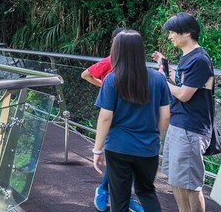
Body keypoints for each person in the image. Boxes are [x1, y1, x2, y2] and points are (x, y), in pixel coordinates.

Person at [93, 30, 171, 212]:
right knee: (146, 191)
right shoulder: (158, 78)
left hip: (118, 147)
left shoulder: (112, 79)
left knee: (119, 197)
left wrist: (97, 149)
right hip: (148, 148)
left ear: (117, 50)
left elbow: (105, 117)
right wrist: (156, 136)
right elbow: (166, 115)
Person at [153, 12, 215, 212]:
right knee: (176, 180)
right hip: (180, 124)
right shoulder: (188, 57)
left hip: (191, 128)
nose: (170, 36)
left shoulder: (199, 59)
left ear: (186, 33)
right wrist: (166, 69)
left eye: (172, 32)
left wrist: (160, 80)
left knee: (190, 185)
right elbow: (182, 83)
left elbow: (184, 94)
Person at [82, 29, 144, 212]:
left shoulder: (135, 66)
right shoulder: (110, 61)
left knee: (126, 158)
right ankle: (103, 191)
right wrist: (104, 86)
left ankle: (117, 194)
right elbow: (85, 74)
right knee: (117, 157)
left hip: (129, 115)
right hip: (113, 114)